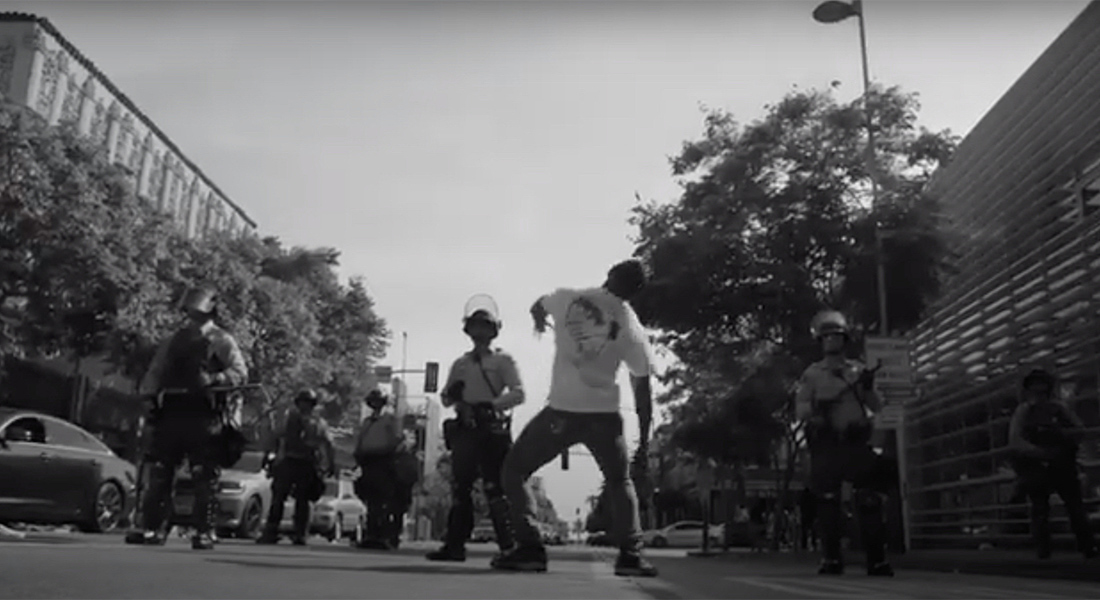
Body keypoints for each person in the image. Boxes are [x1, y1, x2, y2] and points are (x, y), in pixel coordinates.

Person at [495, 259, 658, 577]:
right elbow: (642, 386)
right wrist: (644, 437)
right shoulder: (631, 326)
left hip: (561, 411)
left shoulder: (568, 298)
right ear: (636, 292)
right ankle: (631, 556)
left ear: (609, 274)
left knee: (514, 471)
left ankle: (529, 548)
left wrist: (539, 321)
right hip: (605, 418)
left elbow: (538, 305)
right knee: (619, 482)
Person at [134, 285, 248, 549]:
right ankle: (153, 528)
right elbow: (156, 371)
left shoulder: (222, 340)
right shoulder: (174, 339)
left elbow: (241, 373)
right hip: (172, 411)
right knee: (161, 472)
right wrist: (149, 397)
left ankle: (205, 531)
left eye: (197, 310)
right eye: (189, 310)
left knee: (204, 475)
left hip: (204, 414)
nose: (192, 315)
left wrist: (216, 378)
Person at [427, 295, 525, 563]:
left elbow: (518, 393)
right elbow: (446, 399)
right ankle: (454, 544)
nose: (479, 332)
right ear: (467, 330)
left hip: (491, 427)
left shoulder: (503, 361)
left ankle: (508, 546)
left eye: (485, 327)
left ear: (494, 331)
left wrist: (491, 405)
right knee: (460, 488)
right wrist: (452, 393)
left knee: (495, 488)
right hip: (465, 429)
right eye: (475, 326)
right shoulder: (460, 364)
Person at [795, 310, 894, 576]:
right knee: (827, 502)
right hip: (827, 443)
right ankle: (831, 558)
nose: (831, 341)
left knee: (869, 500)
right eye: (826, 337)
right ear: (820, 342)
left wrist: (868, 388)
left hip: (855, 441)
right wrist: (817, 411)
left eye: (836, 337)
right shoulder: (813, 374)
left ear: (844, 340)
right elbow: (801, 407)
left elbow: (876, 406)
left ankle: (876, 559)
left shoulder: (858, 371)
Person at [1008, 366, 1097, 560]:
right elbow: (1015, 440)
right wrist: (1040, 452)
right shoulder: (1025, 411)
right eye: (1035, 390)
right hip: (1039, 466)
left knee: (1073, 507)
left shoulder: (1058, 408)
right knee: (1042, 509)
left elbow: (1079, 431)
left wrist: (1060, 438)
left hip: (1058, 464)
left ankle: (1086, 547)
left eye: (1043, 390)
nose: (1040, 395)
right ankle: (1046, 551)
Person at [257, 389, 335, 546]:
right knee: (292, 500)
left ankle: (278, 532)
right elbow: (328, 444)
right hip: (297, 462)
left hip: (296, 462)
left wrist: (268, 456)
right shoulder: (317, 422)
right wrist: (330, 464)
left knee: (289, 499)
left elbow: (276, 438)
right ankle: (295, 533)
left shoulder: (291, 419)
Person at [353, 389, 406, 550]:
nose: (376, 406)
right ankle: (371, 534)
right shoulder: (367, 422)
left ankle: (384, 536)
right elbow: (360, 442)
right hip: (368, 462)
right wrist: (358, 455)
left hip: (384, 461)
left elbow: (397, 440)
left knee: (383, 500)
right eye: (373, 403)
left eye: (379, 402)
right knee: (371, 500)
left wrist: (388, 453)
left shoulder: (390, 420)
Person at [798, 487, 818, 552]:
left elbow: (800, 506)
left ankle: (804, 544)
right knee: (812, 530)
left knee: (804, 531)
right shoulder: (813, 497)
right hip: (811, 515)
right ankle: (813, 543)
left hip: (804, 515)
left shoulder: (803, 498)